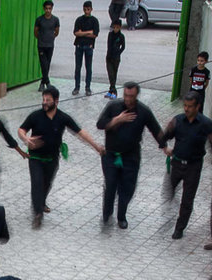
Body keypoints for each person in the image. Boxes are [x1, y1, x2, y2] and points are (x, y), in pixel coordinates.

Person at [18, 86, 105, 228]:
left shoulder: (63, 118)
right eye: (43, 99)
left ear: (56, 101)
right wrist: (25, 139)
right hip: (36, 158)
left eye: (48, 100)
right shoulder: (35, 116)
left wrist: (96, 146)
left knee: (47, 183)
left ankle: (41, 202)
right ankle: (38, 214)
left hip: (52, 158)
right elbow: (21, 129)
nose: (44, 102)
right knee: (37, 183)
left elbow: (80, 132)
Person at [96, 81, 166, 228]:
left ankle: (121, 216)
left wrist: (165, 146)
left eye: (131, 96)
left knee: (127, 187)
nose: (128, 99)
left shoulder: (143, 111)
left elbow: (155, 129)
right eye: (126, 95)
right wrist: (117, 120)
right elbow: (100, 124)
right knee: (110, 184)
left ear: (136, 95)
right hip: (111, 154)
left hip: (131, 156)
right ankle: (107, 214)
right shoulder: (113, 106)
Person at [161, 93, 212, 239]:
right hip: (177, 162)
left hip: (194, 166)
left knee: (187, 199)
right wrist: (165, 144)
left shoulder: (206, 124)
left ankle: (179, 228)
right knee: (169, 189)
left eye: (190, 106)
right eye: (185, 105)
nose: (186, 109)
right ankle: (169, 212)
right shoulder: (178, 120)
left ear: (197, 107)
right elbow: (164, 137)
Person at [72, 1, 99, 97]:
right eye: (85, 9)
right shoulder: (79, 20)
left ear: (91, 9)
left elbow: (95, 34)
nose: (86, 11)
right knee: (78, 68)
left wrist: (82, 33)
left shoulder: (94, 21)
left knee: (88, 68)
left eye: (88, 9)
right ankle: (77, 87)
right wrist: (88, 32)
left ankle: (88, 87)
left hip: (89, 47)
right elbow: (76, 33)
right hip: (79, 45)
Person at [34, 1, 60, 92]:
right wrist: (41, 38)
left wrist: (51, 37)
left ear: (52, 9)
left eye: (49, 8)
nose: (48, 10)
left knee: (48, 64)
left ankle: (42, 82)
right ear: (44, 9)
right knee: (43, 64)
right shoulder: (39, 19)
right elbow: (35, 32)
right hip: (41, 45)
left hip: (50, 45)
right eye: (46, 8)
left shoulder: (55, 20)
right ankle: (47, 82)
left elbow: (56, 32)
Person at [104, 20, 125, 99]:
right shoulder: (110, 35)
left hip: (116, 58)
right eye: (114, 27)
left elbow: (123, 47)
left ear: (120, 27)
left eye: (117, 27)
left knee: (114, 74)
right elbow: (109, 45)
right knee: (110, 74)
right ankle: (112, 89)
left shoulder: (121, 36)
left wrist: (118, 53)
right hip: (109, 57)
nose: (115, 29)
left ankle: (113, 91)